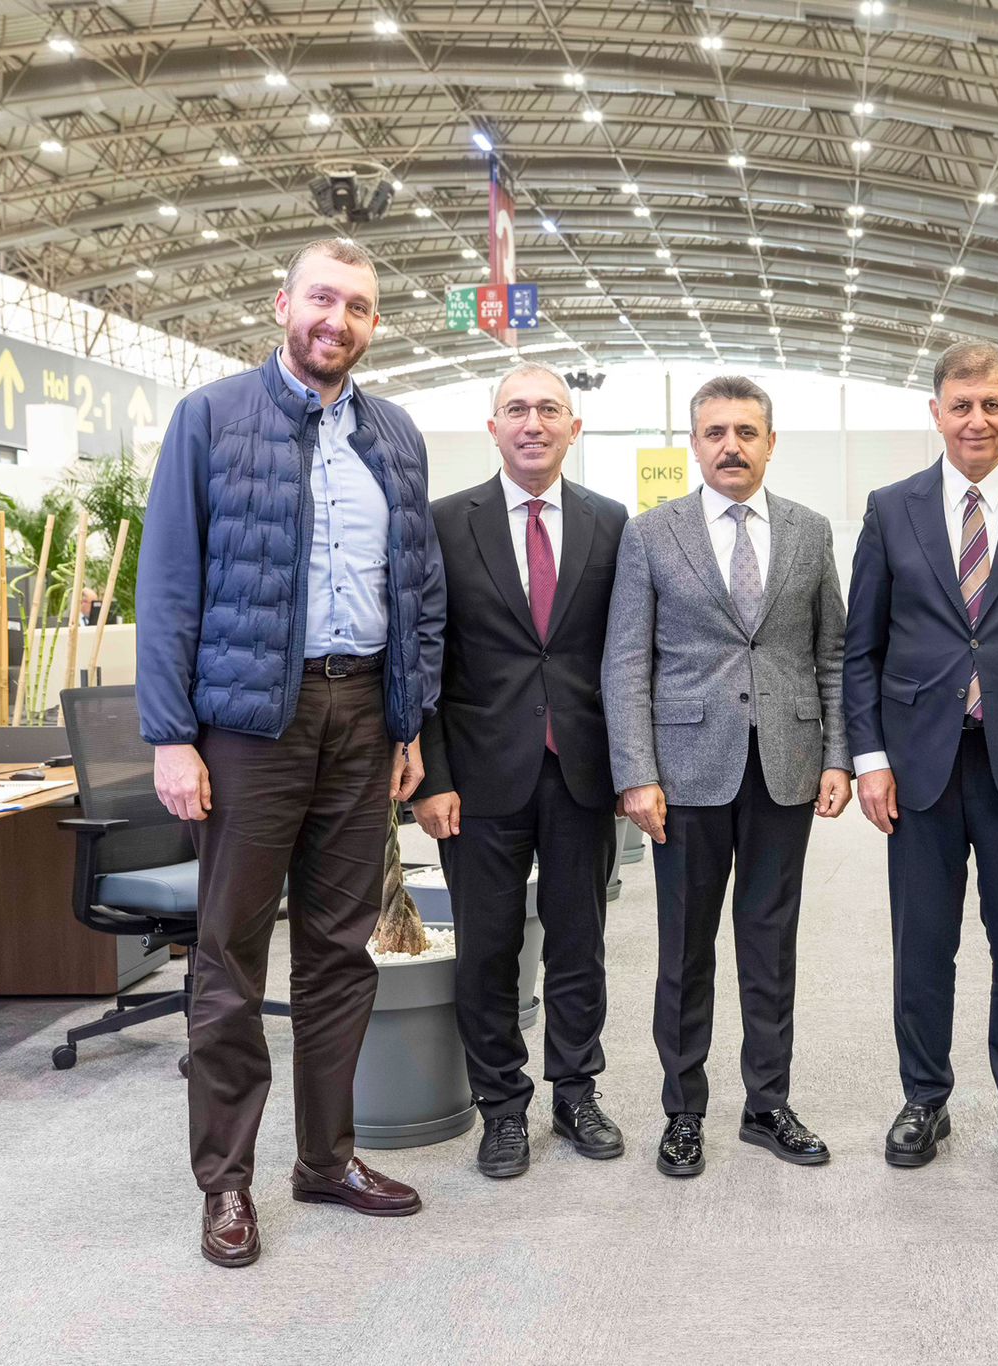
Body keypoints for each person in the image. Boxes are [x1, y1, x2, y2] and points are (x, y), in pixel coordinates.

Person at [137, 236, 444, 1268]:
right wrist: (171, 736)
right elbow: (167, 586)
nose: (336, 320)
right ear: (282, 305)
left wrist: (408, 719)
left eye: (356, 306)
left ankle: (327, 1158)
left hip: (363, 715)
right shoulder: (212, 418)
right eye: (322, 298)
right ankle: (226, 1181)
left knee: (340, 950)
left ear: (374, 323)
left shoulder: (395, 435)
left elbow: (417, 591)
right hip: (248, 726)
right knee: (229, 955)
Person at [844, 340, 998, 1173]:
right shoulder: (892, 509)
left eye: (992, 404)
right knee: (923, 943)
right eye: (961, 405)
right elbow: (861, 649)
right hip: (917, 764)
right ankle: (924, 1097)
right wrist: (869, 757)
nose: (976, 420)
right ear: (936, 412)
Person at [601, 375, 852, 1178]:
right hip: (684, 773)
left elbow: (832, 654)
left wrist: (838, 755)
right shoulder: (651, 535)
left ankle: (767, 1104)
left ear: (771, 443)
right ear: (694, 443)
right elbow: (625, 661)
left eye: (746, 432)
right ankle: (683, 1111)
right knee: (684, 947)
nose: (731, 446)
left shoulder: (810, 532)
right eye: (715, 432)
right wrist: (636, 772)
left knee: (770, 944)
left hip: (786, 767)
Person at [411, 362, 629, 1179]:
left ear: (575, 427)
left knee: (579, 946)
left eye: (548, 409)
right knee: (488, 951)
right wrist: (432, 776)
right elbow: (424, 658)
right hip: (476, 779)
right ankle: (501, 1109)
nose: (532, 423)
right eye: (516, 409)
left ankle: (576, 1094)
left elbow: (625, 655)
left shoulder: (611, 522)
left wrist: (632, 768)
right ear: (493, 428)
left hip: (581, 771)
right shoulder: (444, 523)